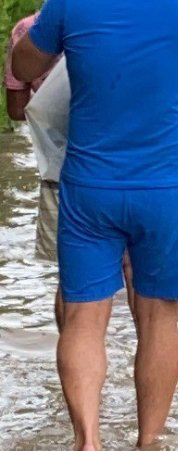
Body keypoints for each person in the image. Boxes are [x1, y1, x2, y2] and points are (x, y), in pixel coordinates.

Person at [12, 0, 178, 451]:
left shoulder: (71, 3)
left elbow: (21, 65)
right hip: (165, 185)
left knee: (84, 318)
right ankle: (149, 444)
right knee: (158, 320)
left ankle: (87, 445)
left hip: (91, 183)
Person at [4, 8, 62, 326]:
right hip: (130, 159)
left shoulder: (26, 30)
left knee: (72, 278)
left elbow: (17, 110)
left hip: (60, 163)